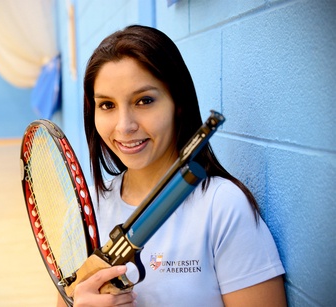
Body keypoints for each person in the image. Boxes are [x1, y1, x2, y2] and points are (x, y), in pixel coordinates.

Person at [57, 25, 287, 307]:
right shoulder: (85, 210)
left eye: (144, 101)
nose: (124, 126)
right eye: (107, 105)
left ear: (178, 103)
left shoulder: (222, 206)